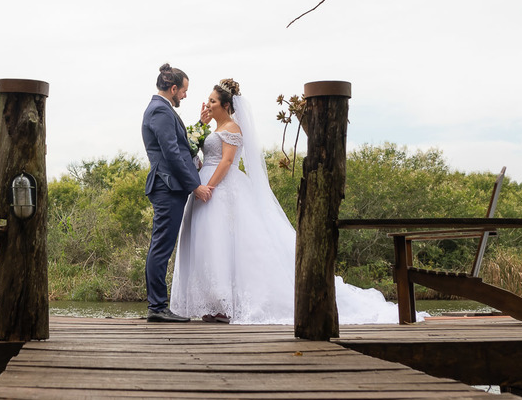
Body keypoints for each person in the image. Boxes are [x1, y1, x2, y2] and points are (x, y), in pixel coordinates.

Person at [169, 78, 399, 324]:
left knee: (224, 243)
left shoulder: (232, 128)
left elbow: (226, 161)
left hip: (221, 188)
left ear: (226, 105)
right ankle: (213, 302)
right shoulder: (212, 128)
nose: (208, 104)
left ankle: (226, 305)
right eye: (209, 100)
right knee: (208, 243)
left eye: (213, 101)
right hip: (204, 185)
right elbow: (197, 150)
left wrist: (209, 187)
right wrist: (199, 134)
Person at [141, 63, 208, 322]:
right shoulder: (160, 110)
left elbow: (180, 145)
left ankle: (157, 306)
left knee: (161, 245)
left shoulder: (162, 109)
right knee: (161, 247)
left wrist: (200, 125)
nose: (185, 95)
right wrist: (195, 185)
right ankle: (157, 307)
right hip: (167, 187)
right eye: (183, 90)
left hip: (169, 186)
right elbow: (171, 153)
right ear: (172, 88)